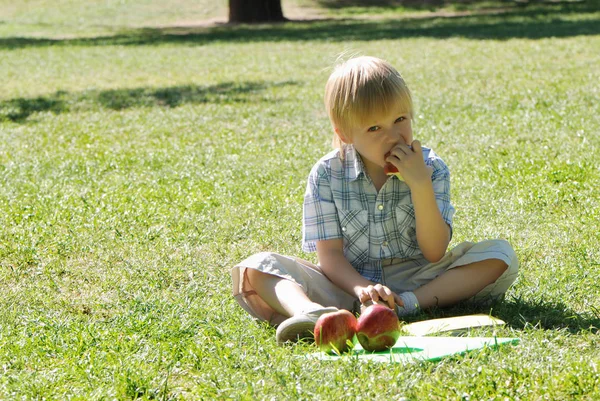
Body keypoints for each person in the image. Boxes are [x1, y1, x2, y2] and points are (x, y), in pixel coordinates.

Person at [231, 56, 519, 345]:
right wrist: (363, 289)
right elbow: (329, 256)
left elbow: (434, 252)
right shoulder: (326, 174)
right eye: (374, 129)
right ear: (345, 134)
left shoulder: (431, 167)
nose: (393, 136)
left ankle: (406, 305)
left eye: (400, 120)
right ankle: (316, 315)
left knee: (499, 254)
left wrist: (419, 184)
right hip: (347, 284)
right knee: (258, 266)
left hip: (421, 278)